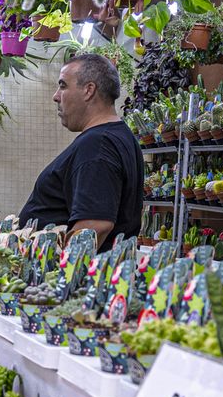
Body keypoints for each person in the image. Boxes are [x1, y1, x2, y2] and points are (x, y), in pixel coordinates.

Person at [17, 53, 144, 252]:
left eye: (63, 85)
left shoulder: (98, 144)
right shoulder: (114, 137)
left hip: (73, 280)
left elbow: (95, 225)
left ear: (88, 90)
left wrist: (59, 276)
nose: (56, 96)